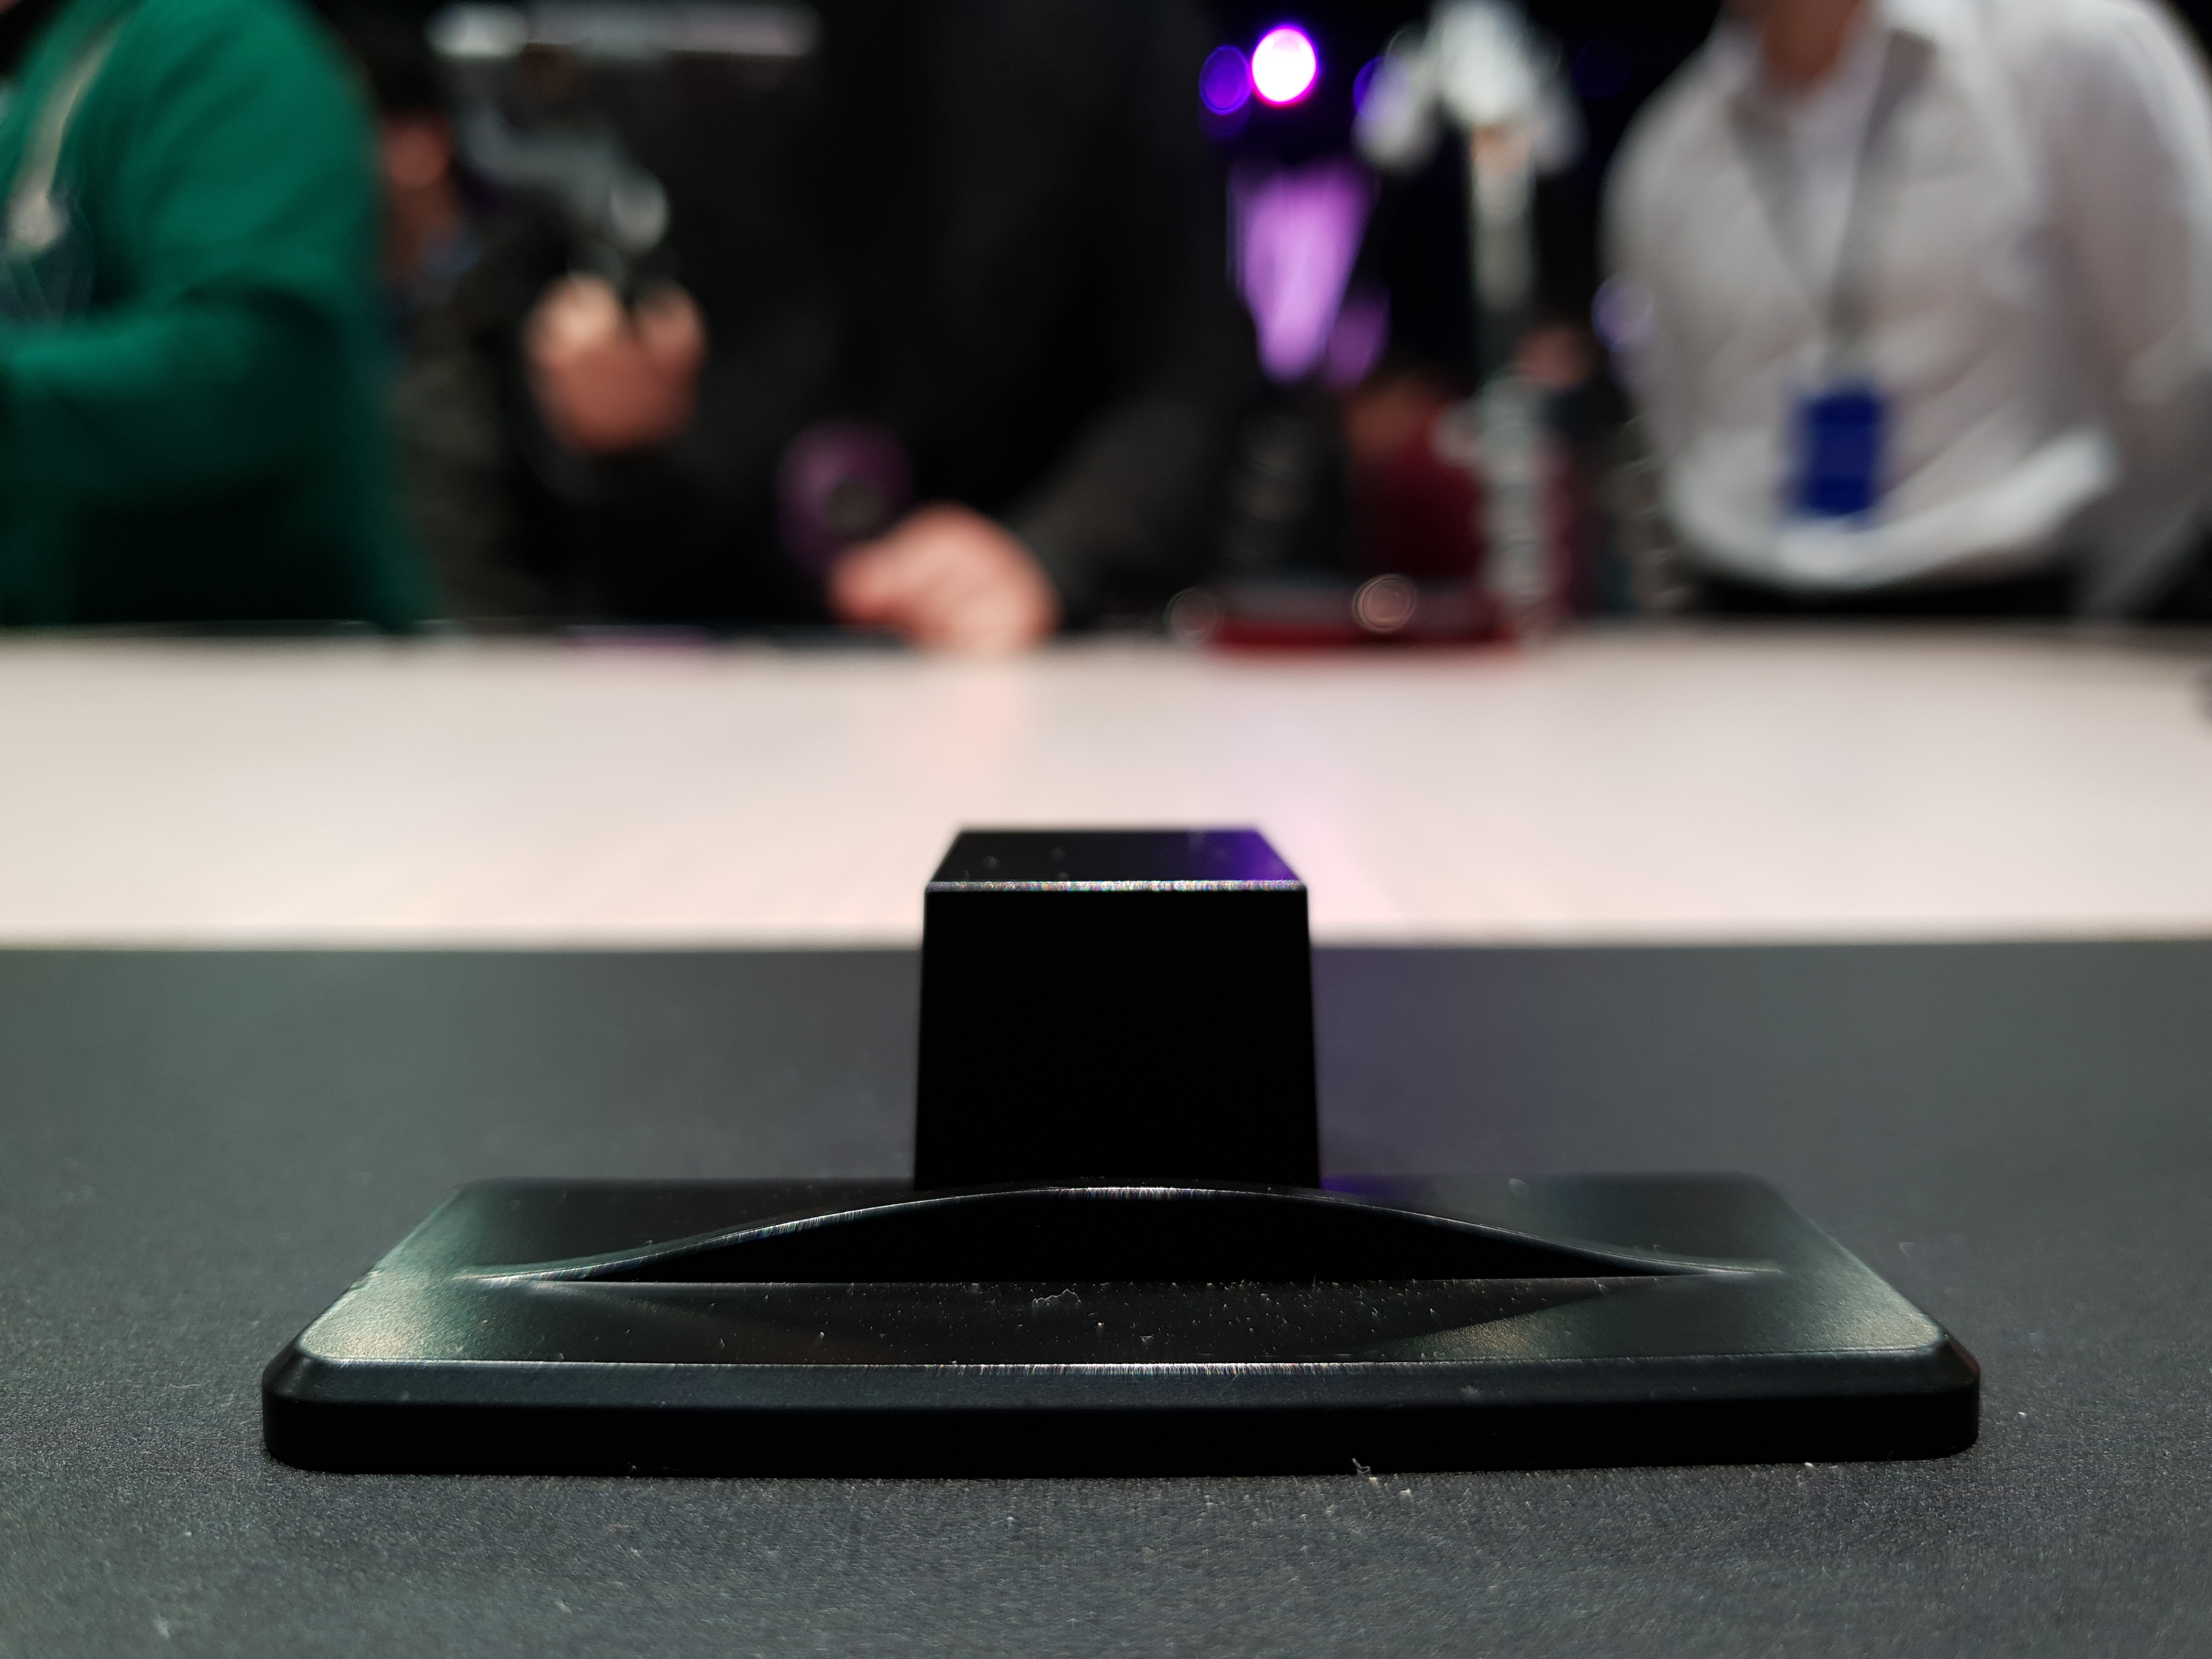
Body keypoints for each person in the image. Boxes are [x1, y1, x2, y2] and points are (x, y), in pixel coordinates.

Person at [516, 0, 1255, 650]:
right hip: (693, 659)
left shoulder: (1100, 29)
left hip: (1025, 658)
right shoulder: (624, 46)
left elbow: (1190, 367)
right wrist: (611, 442)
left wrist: (1054, 553)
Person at [1604, 0, 2212, 617]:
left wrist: (2106, 616)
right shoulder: (1669, 149)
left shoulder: (2068, 47)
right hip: (1744, 613)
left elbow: (2184, 379)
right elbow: (1674, 424)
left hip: (2018, 608)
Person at [0, 0, 427, 628]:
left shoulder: (223, 43)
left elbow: (258, 362)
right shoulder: (62, 60)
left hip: (258, 657)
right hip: (103, 649)